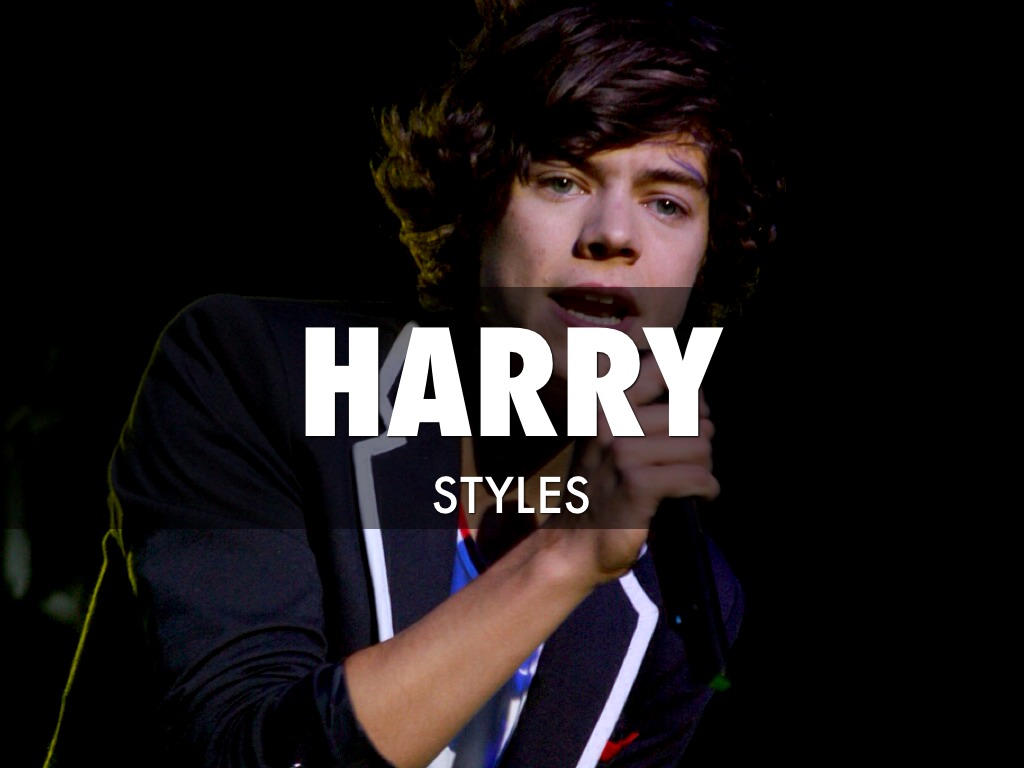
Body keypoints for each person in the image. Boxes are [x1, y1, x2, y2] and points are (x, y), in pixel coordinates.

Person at [45, 1, 780, 766]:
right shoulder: (256, 375)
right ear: (478, 202)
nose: (614, 235)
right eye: (562, 179)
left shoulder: (683, 598)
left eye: (667, 203)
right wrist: (559, 559)